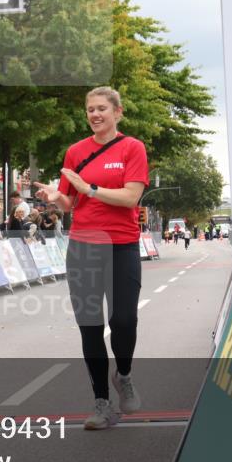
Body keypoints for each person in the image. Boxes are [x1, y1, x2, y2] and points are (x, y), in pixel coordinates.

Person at [34, 86, 148, 430]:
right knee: (91, 327)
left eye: (101, 109)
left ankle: (123, 375)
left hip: (121, 244)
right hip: (83, 246)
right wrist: (55, 196)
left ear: (118, 112)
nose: (95, 115)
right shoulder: (76, 152)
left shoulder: (132, 148)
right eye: (90, 110)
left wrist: (90, 189)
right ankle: (102, 404)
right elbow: (69, 202)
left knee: (124, 321)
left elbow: (131, 197)